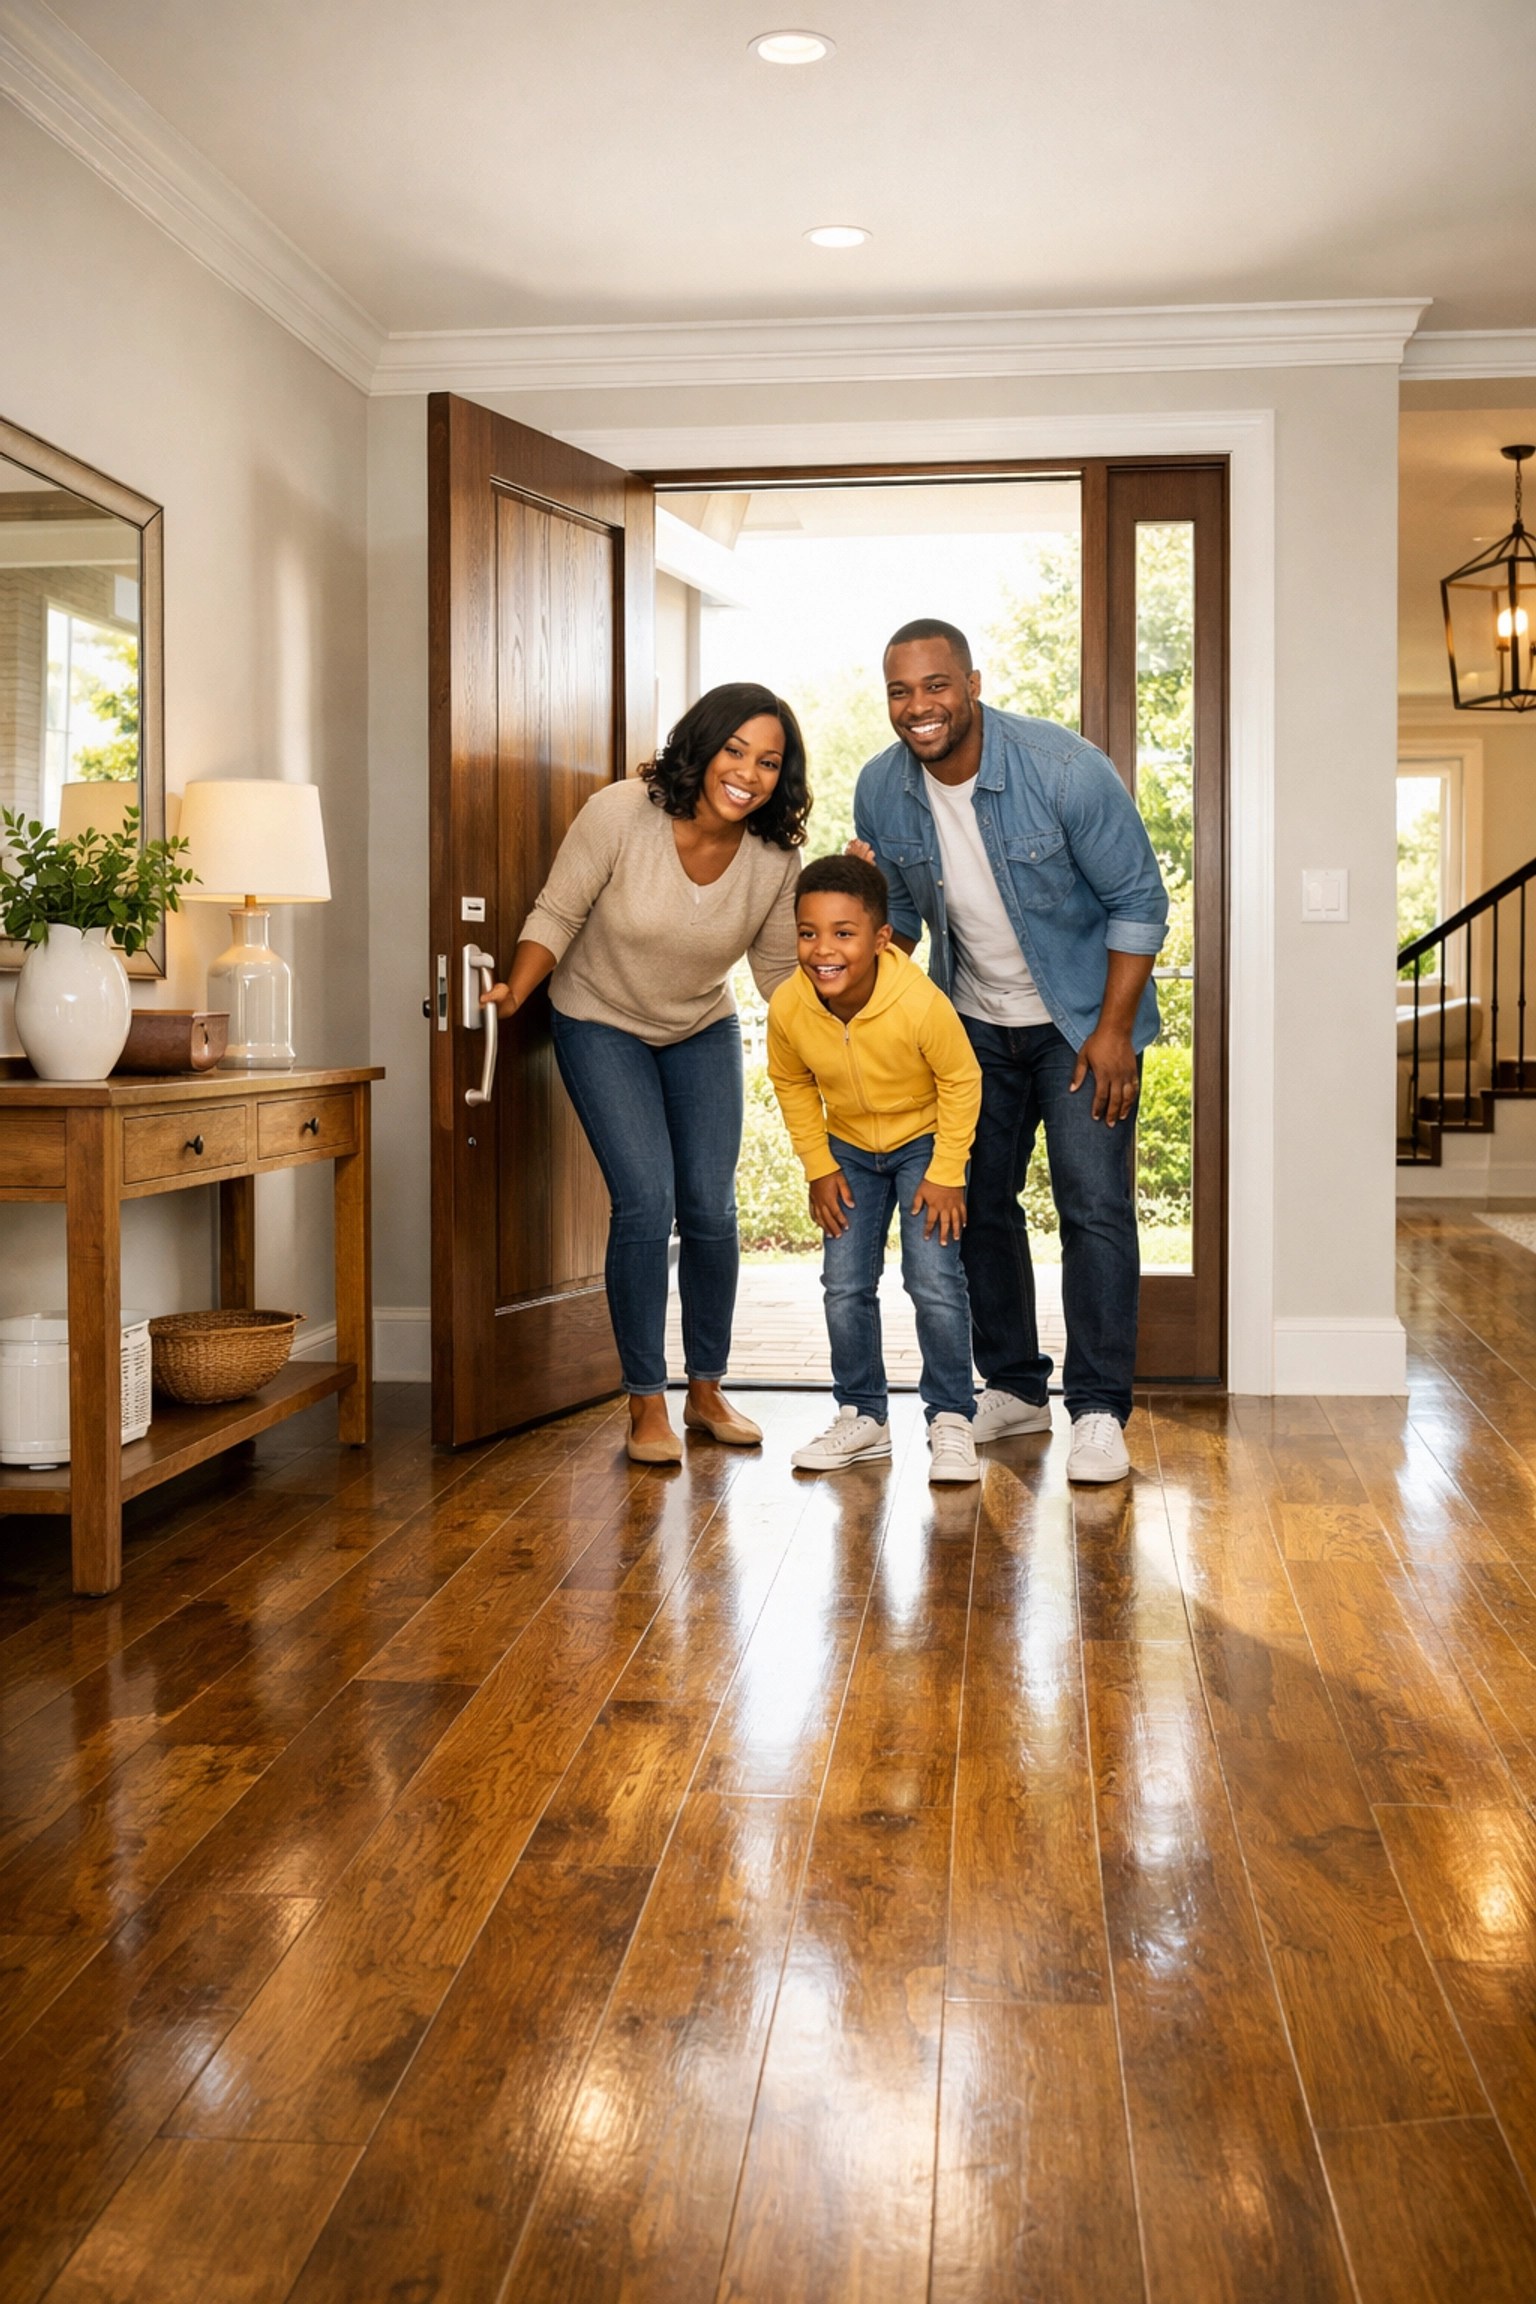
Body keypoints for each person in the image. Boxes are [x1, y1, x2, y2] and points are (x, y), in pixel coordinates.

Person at [851, 618, 1168, 1484]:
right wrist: (868, 914)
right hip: (972, 1027)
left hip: (1078, 1023)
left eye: (936, 685)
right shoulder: (881, 790)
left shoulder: (1063, 769)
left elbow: (1141, 901)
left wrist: (1110, 1033)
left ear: (973, 683)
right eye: (900, 691)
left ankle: (1099, 1409)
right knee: (977, 1204)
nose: (919, 707)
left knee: (1093, 1208)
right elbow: (909, 926)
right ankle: (1017, 1386)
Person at [482, 683, 808, 1465]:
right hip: (599, 1019)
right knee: (645, 1201)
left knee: (711, 1207)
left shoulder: (774, 856)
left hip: (699, 1025)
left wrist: (848, 1012)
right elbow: (557, 912)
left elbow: (777, 972)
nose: (748, 773)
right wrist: (515, 990)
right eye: (735, 750)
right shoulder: (622, 812)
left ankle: (705, 1390)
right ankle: (643, 1402)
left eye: (769, 761)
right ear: (702, 745)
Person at [767, 853, 983, 1484]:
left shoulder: (918, 1002)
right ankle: (862, 1415)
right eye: (808, 933)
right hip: (849, 1149)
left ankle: (951, 1420)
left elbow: (961, 1080)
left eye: (843, 933)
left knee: (934, 1279)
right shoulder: (790, 1006)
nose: (822, 950)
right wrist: (818, 1165)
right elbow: (792, 1081)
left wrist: (946, 1170)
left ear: (881, 938)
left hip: (924, 1142)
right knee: (844, 1282)